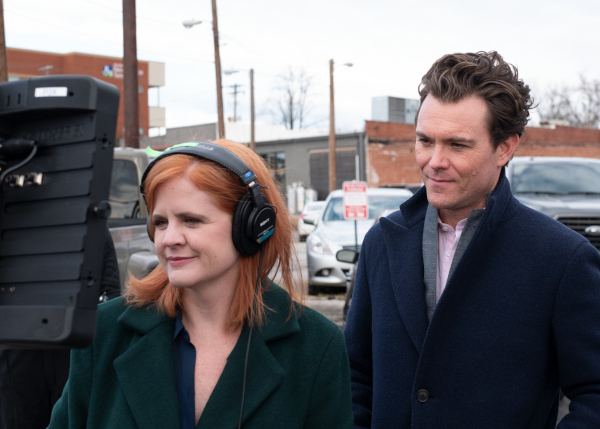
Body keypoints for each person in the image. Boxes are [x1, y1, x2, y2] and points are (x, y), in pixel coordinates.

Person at [344, 51, 600, 428]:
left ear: (505, 148)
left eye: (457, 144)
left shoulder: (562, 258)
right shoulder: (381, 243)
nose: (434, 161)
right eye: (425, 141)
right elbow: (354, 375)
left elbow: (594, 393)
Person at [48, 139, 353, 429]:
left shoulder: (317, 346)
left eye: (191, 220)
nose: (168, 239)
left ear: (252, 226)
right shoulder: (104, 332)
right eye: (160, 222)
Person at [0, 228, 120, 429]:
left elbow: (110, 292)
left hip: (73, 348)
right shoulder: (11, 221)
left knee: (73, 419)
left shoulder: (90, 225)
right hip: (19, 351)